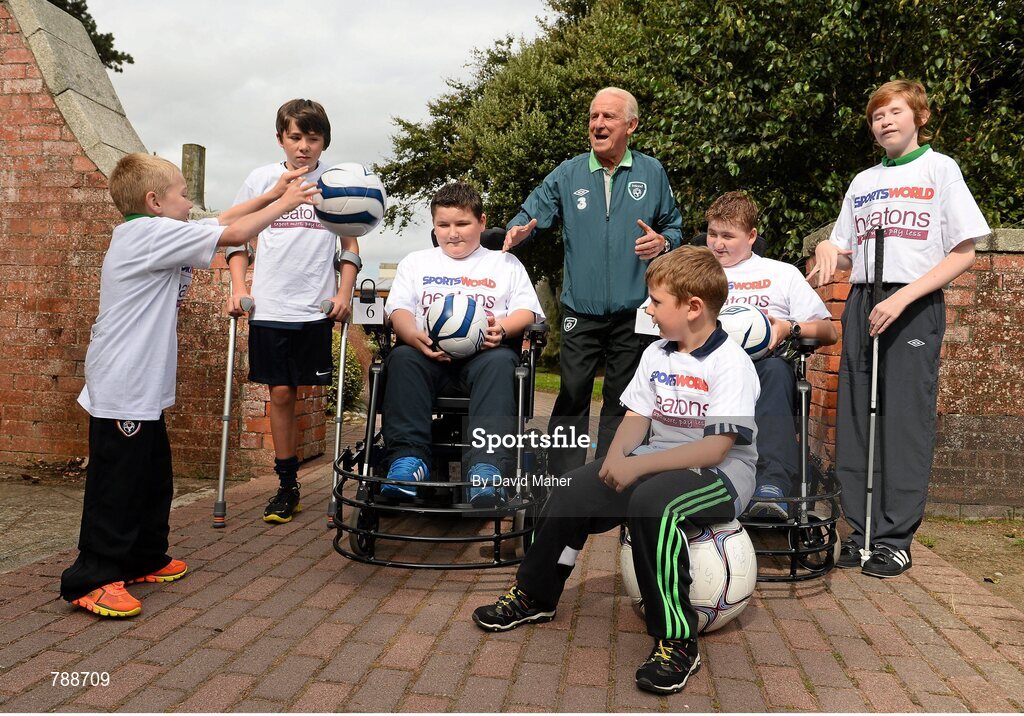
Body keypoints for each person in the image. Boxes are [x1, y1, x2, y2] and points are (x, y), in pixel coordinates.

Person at [472, 246, 759, 695]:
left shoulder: (731, 363)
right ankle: (536, 595)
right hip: (659, 463)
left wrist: (638, 465)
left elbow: (715, 448)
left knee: (651, 505)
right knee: (573, 490)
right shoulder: (657, 354)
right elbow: (636, 418)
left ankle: (678, 641)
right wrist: (613, 460)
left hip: (721, 476)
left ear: (694, 308)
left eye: (657, 302)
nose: (648, 309)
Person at [61, 152, 318, 617]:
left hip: (142, 383)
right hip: (123, 382)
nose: (190, 200)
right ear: (154, 201)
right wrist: (291, 202)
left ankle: (143, 556)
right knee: (117, 483)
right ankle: (94, 577)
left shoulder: (158, 229)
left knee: (153, 475)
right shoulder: (146, 234)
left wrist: (274, 192)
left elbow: (220, 219)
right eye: (183, 193)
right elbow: (236, 233)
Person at [813, 79, 990, 578]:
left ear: (920, 117)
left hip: (911, 301)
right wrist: (830, 248)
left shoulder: (941, 169)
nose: (884, 122)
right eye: (876, 116)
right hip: (864, 299)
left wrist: (904, 297)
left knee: (904, 420)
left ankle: (895, 538)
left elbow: (964, 251)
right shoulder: (862, 181)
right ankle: (861, 531)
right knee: (855, 415)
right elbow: (844, 245)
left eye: (894, 112)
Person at [504, 87, 683, 478]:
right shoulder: (569, 173)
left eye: (609, 117)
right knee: (571, 393)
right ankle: (562, 478)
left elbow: (674, 226)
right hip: (580, 310)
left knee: (621, 398)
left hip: (635, 309)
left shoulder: (652, 172)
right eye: (593, 116)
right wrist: (518, 231)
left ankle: (607, 475)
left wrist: (663, 241)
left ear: (631, 125)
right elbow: (530, 213)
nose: (598, 124)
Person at [226, 99, 361, 524]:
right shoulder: (262, 179)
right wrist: (237, 286)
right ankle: (287, 486)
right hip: (270, 304)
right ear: (281, 138)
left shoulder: (337, 182)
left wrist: (344, 293)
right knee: (280, 393)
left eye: (313, 138)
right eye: (295, 137)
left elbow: (351, 244)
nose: (303, 147)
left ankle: (324, 481)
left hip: (314, 307)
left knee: (311, 395)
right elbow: (235, 237)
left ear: (324, 142)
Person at [381, 182, 544, 506]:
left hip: (485, 356)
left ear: (482, 222)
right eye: (443, 225)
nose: (452, 233)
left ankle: (486, 470)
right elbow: (398, 309)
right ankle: (408, 463)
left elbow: (527, 311)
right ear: (434, 226)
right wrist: (412, 335)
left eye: (462, 224)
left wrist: (504, 329)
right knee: (401, 358)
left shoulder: (504, 263)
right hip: (428, 355)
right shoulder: (417, 262)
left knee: (502, 364)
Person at [705, 191, 837, 519]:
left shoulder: (781, 274)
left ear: (751, 236)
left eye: (728, 236)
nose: (718, 244)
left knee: (778, 371)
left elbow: (828, 331)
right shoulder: (695, 271)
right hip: (706, 365)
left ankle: (771, 485)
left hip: (765, 366)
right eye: (712, 234)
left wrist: (787, 328)